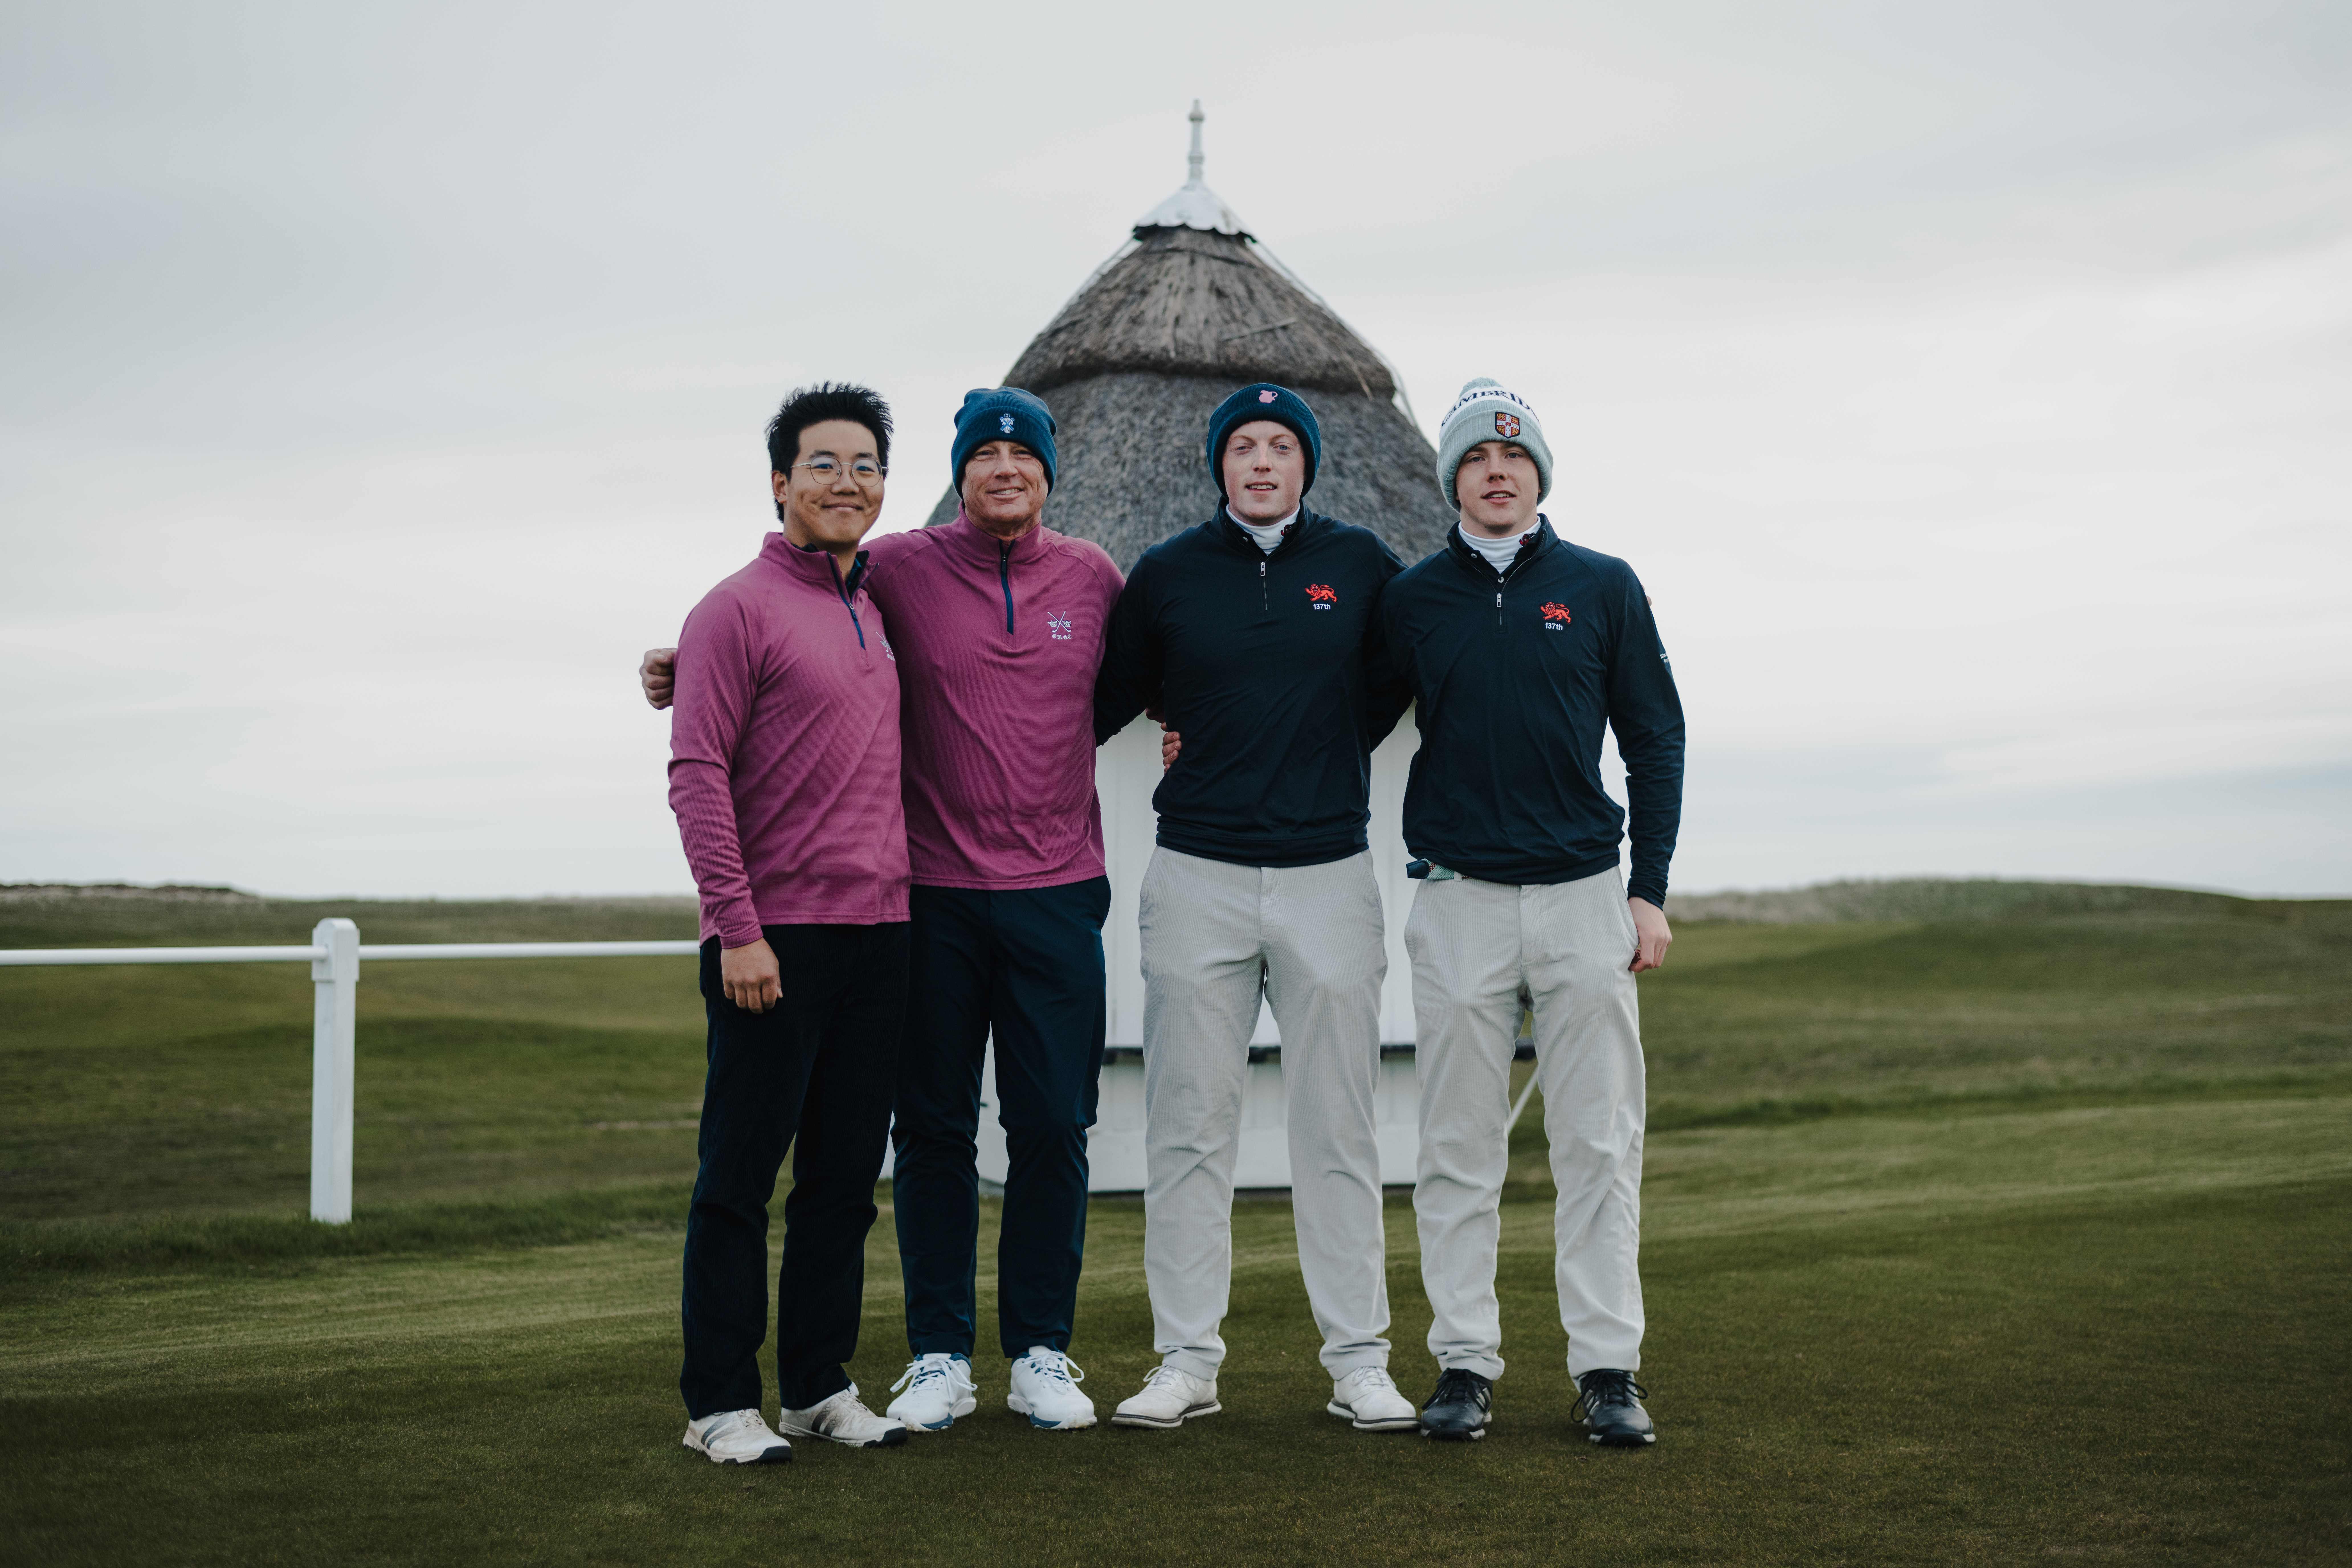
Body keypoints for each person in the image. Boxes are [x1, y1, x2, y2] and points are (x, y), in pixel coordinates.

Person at [644, 387, 1124, 1433]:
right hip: (881, 914)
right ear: (782, 482)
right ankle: (881, 1367)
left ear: (1050, 472)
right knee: (865, 1148)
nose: (1006, 469)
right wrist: (682, 670)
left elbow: (1153, 672)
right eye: (985, 455)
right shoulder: (875, 571)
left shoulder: (1070, 578)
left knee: (972, 1146)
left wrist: (1190, 729)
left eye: (1024, 456)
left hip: (977, 912)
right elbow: (730, 711)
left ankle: (978, 1360)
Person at [1089, 383, 1422, 1434]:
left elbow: (1399, 682)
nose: (1264, 461)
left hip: (1329, 875)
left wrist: (1320, 749)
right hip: (1198, 875)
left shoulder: (1364, 564)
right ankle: (1186, 1361)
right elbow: (1099, 697)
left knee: (1340, 1130)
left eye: (1282, 445)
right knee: (1189, 1128)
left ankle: (1360, 1363)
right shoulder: (1167, 575)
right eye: (1244, 446)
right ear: (1219, 466)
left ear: (1308, 463)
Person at [1376, 379, 1685, 1446]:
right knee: (1459, 1145)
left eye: (1513, 458)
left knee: (1599, 1142)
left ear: (1539, 473)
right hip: (1457, 895)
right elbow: (1335, 720)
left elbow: (1655, 740)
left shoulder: (1603, 587)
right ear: (1453, 479)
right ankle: (1464, 1363)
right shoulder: (1414, 599)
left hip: (1583, 893)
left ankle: (1608, 1368)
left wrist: (1649, 889)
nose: (1495, 472)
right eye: (1474, 460)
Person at [668, 382, 913, 1463]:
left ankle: (818, 1387)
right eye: (823, 464)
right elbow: (696, 774)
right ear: (780, 484)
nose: (845, 482)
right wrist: (738, 927)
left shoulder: (878, 603)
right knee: (738, 1180)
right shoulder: (734, 607)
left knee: (843, 1186)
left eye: (864, 466)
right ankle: (721, 1405)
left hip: (882, 935)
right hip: (773, 938)